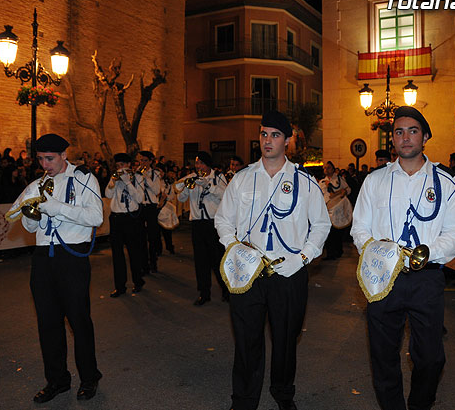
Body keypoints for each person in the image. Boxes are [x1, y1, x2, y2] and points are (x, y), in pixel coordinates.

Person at [351, 107, 455, 410]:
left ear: (425, 136)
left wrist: (428, 252)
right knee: (383, 354)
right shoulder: (375, 180)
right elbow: (359, 228)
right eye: (399, 132)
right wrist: (378, 252)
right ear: (393, 139)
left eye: (413, 130)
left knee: (431, 358)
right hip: (382, 276)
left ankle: (419, 405)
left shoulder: (445, 181)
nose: (405, 137)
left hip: (426, 277)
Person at [215, 110, 331, 410]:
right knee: (246, 339)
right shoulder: (242, 179)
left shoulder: (304, 182)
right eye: (264, 134)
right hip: (248, 272)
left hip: (288, 271)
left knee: (285, 340)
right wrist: (234, 248)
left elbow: (321, 225)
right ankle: (244, 399)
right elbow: (223, 220)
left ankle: (283, 393)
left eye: (275, 135)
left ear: (288, 141)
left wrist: (302, 258)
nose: (268, 140)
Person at [6, 134, 103, 402]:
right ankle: (57, 380)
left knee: (79, 320)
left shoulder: (83, 179)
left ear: (63, 155)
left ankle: (89, 376)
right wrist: (30, 214)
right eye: (40, 159)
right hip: (42, 257)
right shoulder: (37, 184)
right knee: (47, 322)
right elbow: (29, 227)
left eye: (49, 159)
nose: (44, 164)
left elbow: (96, 217)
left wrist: (55, 207)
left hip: (71, 257)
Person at [175, 151, 229, 305]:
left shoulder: (218, 177)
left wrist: (209, 186)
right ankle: (204, 292)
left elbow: (225, 195)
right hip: (197, 223)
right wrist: (186, 187)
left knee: (217, 259)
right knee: (200, 261)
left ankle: (226, 290)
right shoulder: (192, 177)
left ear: (207, 164)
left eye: (201, 163)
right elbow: (180, 198)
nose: (198, 166)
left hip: (213, 223)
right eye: (196, 163)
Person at [104, 153, 145, 297]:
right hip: (116, 218)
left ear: (129, 165)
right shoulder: (114, 177)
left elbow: (140, 198)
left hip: (131, 219)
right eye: (118, 166)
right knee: (117, 254)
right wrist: (114, 182)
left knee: (134, 251)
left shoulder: (138, 178)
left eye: (123, 165)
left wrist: (127, 182)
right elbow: (108, 195)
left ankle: (138, 281)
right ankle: (120, 286)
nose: (120, 168)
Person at [319, 161, 351, 260]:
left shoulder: (339, 180)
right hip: (326, 209)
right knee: (328, 232)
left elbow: (348, 189)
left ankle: (338, 251)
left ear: (333, 169)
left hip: (337, 209)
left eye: (328, 168)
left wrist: (343, 192)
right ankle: (330, 253)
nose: (326, 170)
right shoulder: (322, 182)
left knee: (337, 232)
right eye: (325, 168)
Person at [136, 150, 162, 273]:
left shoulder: (156, 174)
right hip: (140, 206)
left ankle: (153, 262)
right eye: (141, 160)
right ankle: (143, 264)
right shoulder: (137, 173)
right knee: (140, 236)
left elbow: (157, 190)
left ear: (151, 161)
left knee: (152, 236)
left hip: (151, 206)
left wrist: (146, 177)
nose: (142, 163)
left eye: (145, 160)